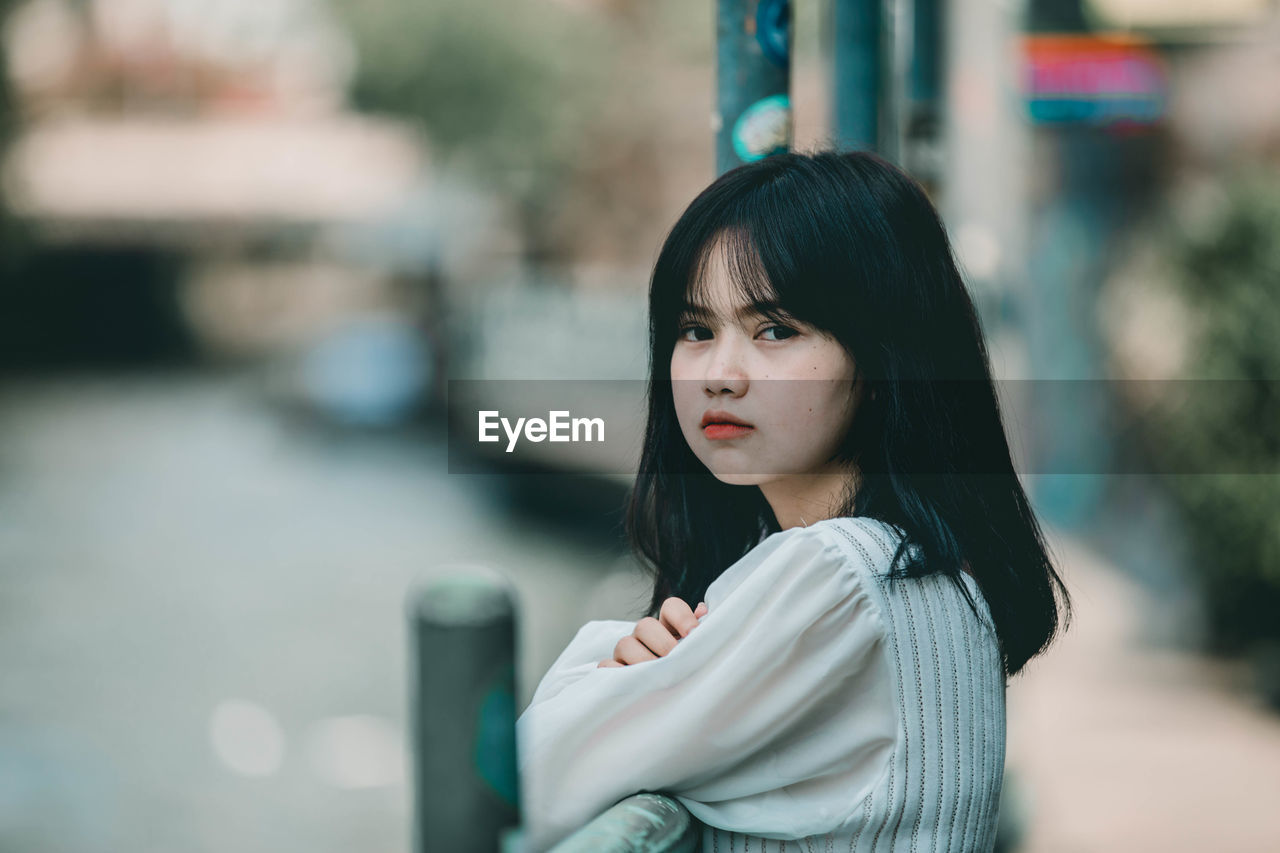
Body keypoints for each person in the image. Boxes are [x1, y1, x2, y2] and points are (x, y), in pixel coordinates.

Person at [515, 150, 1073, 853]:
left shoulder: (833, 577)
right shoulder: (927, 573)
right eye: (696, 330)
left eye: (775, 329)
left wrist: (610, 667)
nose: (720, 373)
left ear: (880, 359)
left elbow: (522, 788)